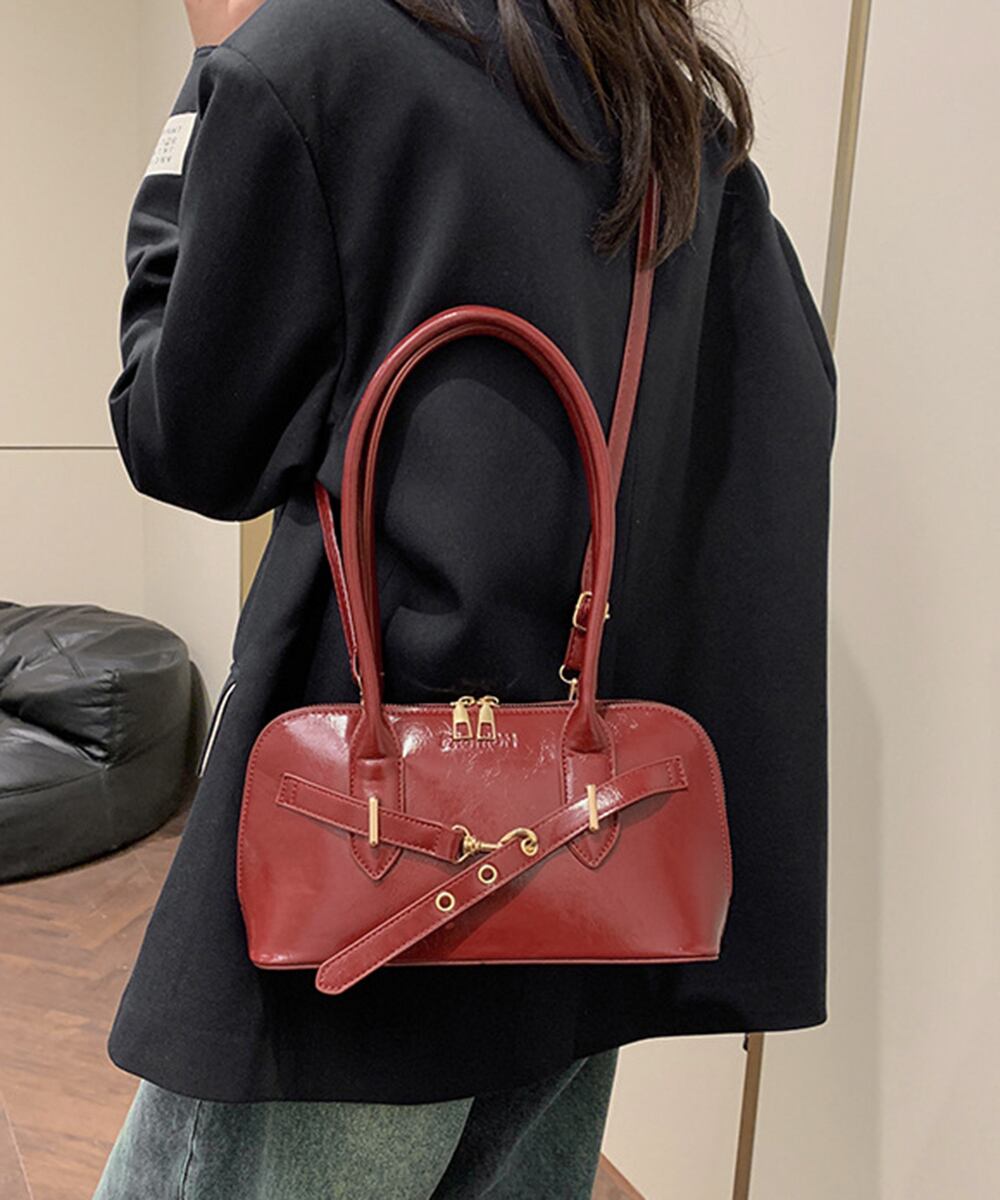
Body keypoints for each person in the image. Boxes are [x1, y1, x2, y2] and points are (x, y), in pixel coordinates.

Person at [94, 0, 837, 1195]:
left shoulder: (312, 54)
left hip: (368, 870)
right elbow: (769, 433)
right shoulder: (658, 93)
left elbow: (181, 437)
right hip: (585, 866)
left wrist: (211, 79)